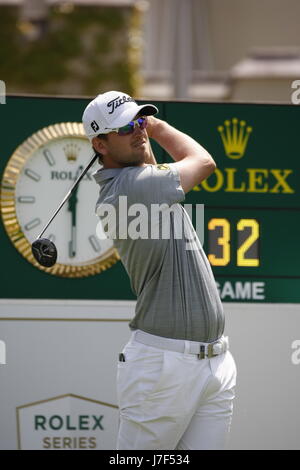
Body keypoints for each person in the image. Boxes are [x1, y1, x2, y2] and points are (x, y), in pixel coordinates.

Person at [82, 90, 237, 450]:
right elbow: (203, 161)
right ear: (100, 145)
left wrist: (138, 129)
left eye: (139, 121)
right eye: (125, 129)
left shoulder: (144, 178)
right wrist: (158, 124)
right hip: (164, 367)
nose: (138, 131)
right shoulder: (133, 188)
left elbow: (148, 160)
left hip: (213, 362)